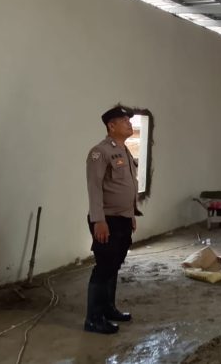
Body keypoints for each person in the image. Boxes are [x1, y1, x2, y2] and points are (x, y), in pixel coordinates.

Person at [84, 106, 141, 334]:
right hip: (106, 220)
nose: (129, 124)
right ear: (111, 126)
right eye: (124, 121)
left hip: (123, 218)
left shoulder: (124, 151)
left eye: (129, 120)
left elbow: (128, 186)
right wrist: (98, 220)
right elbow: (94, 188)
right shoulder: (100, 152)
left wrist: (131, 214)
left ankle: (108, 309)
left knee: (114, 266)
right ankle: (93, 319)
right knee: (104, 267)